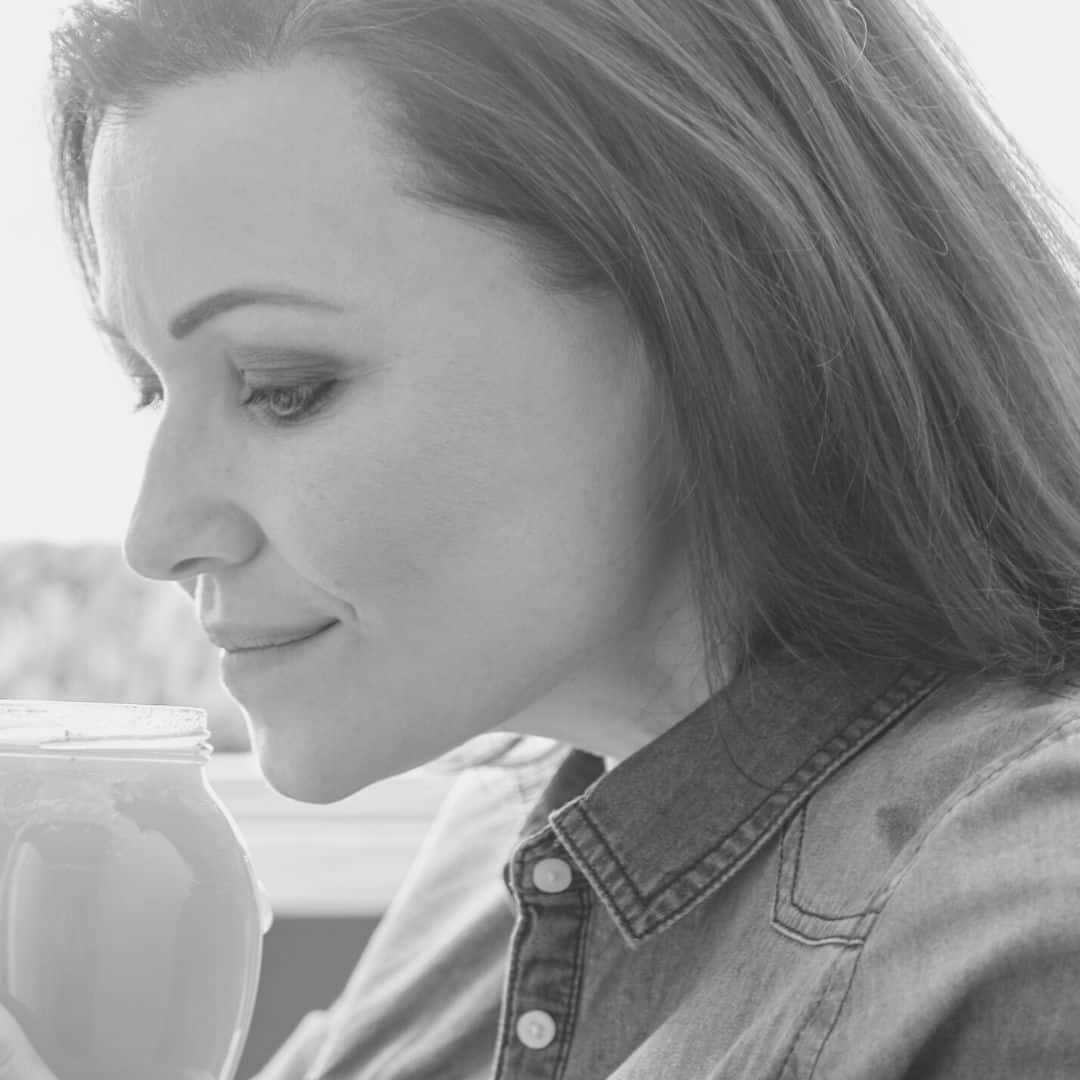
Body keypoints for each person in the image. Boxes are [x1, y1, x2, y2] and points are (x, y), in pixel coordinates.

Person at [6, 0, 1080, 1076]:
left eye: (285, 391)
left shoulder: (1021, 945)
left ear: (705, 308)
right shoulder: (510, 829)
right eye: (152, 383)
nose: (155, 536)